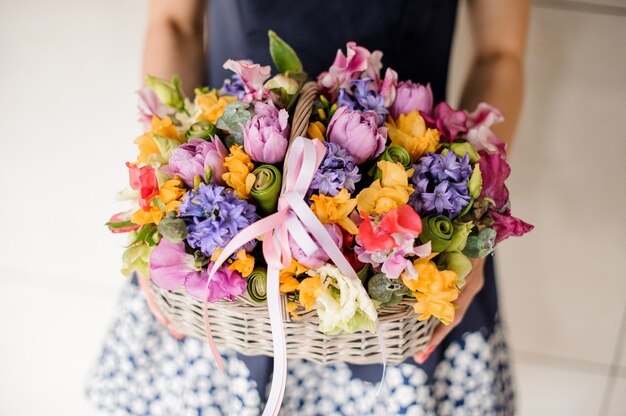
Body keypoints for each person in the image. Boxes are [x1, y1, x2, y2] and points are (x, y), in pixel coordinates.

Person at [87, 0, 530, 414]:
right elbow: (175, 24)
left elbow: (500, 53)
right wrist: (162, 195)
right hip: (221, 229)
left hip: (407, 235)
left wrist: (472, 220)